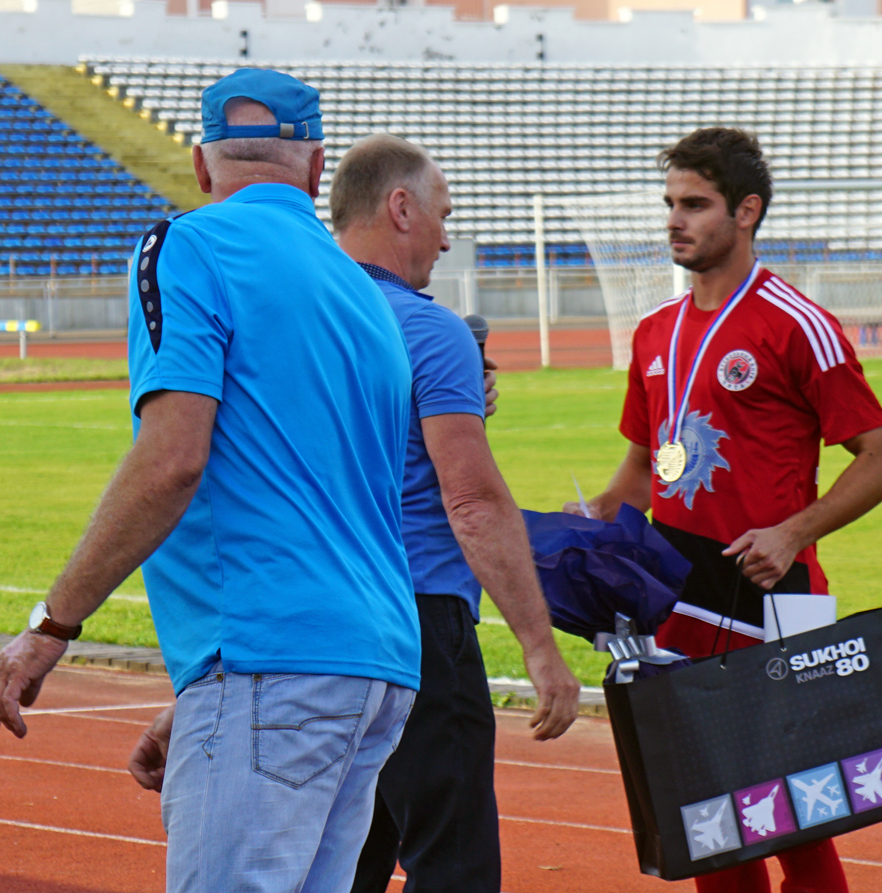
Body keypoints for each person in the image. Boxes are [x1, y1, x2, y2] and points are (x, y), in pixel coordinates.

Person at [0, 69, 420, 893]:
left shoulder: (186, 245)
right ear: (316, 168)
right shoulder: (363, 295)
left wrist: (52, 624)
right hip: (374, 659)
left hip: (269, 655)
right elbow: (340, 498)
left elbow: (174, 456)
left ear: (201, 165)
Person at [570, 127, 882, 893]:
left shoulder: (798, 324)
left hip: (772, 600)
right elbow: (639, 468)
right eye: (670, 204)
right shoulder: (655, 331)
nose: (674, 220)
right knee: (711, 829)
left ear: (747, 211)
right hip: (678, 596)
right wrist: (589, 520)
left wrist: (795, 531)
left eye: (695, 204)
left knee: (795, 817)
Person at [317, 134, 579, 893]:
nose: (448, 234)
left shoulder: (296, 318)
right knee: (453, 862)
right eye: (442, 213)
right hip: (419, 622)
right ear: (400, 208)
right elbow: (469, 498)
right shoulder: (428, 330)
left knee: (341, 859)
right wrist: (538, 644)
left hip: (319, 619)